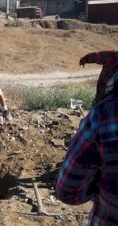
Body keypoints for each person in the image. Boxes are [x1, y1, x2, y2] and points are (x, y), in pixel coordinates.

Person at [56, 51, 118, 225]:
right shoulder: (112, 57)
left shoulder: (104, 116)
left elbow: (66, 192)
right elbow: (98, 56)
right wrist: (86, 59)